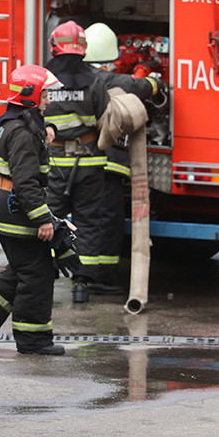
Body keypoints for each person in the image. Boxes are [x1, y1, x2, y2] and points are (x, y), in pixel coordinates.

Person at [0, 65, 77, 356]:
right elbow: (25, 181)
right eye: (45, 95)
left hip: (6, 205)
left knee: (25, 267)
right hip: (18, 208)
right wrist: (42, 219)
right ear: (31, 95)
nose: (48, 101)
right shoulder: (22, 132)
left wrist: (46, 130)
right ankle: (33, 340)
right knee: (37, 273)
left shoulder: (15, 123)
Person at [83, 22, 163, 295]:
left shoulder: (75, 76)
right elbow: (138, 85)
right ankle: (100, 278)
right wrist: (154, 81)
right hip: (107, 166)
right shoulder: (105, 79)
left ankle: (85, 276)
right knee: (108, 221)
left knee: (88, 221)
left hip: (79, 166)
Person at [43, 20, 110, 303]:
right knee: (89, 222)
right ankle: (82, 283)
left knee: (51, 221)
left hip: (55, 162)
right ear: (83, 46)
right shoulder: (96, 79)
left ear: (54, 46)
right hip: (88, 161)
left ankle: (47, 274)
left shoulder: (44, 78)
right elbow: (104, 117)